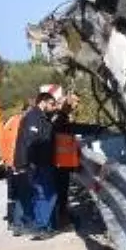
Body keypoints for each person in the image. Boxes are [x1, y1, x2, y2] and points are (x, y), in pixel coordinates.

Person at [14, 91, 59, 239]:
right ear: (43, 102)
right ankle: (41, 227)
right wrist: (28, 163)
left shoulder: (42, 117)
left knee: (43, 195)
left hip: (42, 162)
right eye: (52, 104)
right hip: (38, 163)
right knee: (46, 194)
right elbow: (30, 141)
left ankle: (44, 226)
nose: (53, 107)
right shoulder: (33, 117)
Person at [51, 93, 81, 230]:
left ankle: (64, 217)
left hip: (63, 163)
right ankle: (63, 222)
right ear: (67, 102)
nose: (77, 105)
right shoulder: (60, 118)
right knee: (61, 193)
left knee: (62, 193)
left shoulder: (60, 118)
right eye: (75, 102)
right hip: (60, 163)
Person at [1, 101, 30, 229]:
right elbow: (17, 144)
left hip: (9, 162)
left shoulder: (11, 120)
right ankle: (18, 223)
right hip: (16, 162)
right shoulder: (22, 123)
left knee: (14, 194)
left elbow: (3, 141)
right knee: (23, 193)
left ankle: (13, 221)